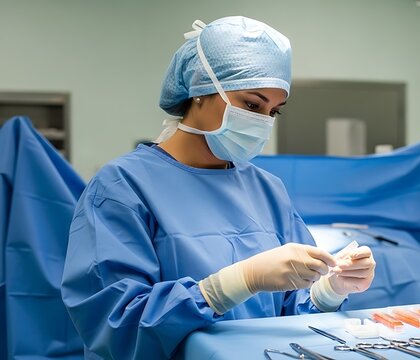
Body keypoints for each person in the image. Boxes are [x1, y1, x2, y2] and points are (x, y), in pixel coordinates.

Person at [61, 16, 376, 360]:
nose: (262, 121)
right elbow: (115, 328)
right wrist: (231, 285)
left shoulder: (267, 190)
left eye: (274, 111)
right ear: (199, 90)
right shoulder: (122, 187)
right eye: (252, 105)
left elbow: (290, 320)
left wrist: (328, 290)